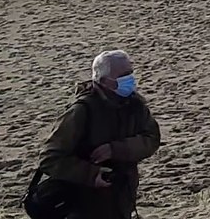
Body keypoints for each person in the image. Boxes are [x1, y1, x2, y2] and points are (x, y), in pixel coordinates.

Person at [36, 50, 161, 219]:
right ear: (103, 81)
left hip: (122, 199)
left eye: (131, 73)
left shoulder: (134, 105)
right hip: (84, 204)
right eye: (124, 75)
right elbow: (50, 158)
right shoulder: (82, 111)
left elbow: (151, 138)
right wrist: (91, 174)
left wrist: (115, 149)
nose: (130, 79)